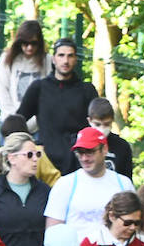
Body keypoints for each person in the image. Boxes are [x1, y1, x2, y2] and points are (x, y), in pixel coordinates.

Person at [16, 36, 97, 174]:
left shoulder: (87, 90)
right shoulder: (39, 88)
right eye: (61, 55)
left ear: (76, 59)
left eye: (70, 56)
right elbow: (18, 121)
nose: (65, 61)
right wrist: (29, 148)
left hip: (79, 163)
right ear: (53, 59)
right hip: (45, 163)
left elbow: (98, 126)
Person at [44, 126, 135, 236]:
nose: (84, 158)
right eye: (80, 153)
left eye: (90, 152)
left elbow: (133, 224)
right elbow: (53, 232)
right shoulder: (65, 184)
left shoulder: (123, 184)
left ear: (104, 150)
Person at [0, 129, 49, 246]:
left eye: (37, 154)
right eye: (29, 155)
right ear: (12, 158)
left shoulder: (45, 190)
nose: (35, 159)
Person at [0, 19, 50, 126]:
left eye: (34, 43)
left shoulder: (47, 60)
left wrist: (35, 120)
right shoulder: (7, 58)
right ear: (19, 42)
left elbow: (48, 93)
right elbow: (2, 90)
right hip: (10, 122)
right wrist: (14, 118)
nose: (29, 47)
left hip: (38, 124)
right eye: (25, 43)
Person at [86, 96, 133, 178]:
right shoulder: (79, 145)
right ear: (89, 121)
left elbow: (127, 179)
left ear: (112, 121)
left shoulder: (122, 147)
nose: (102, 129)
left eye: (106, 124)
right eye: (97, 124)